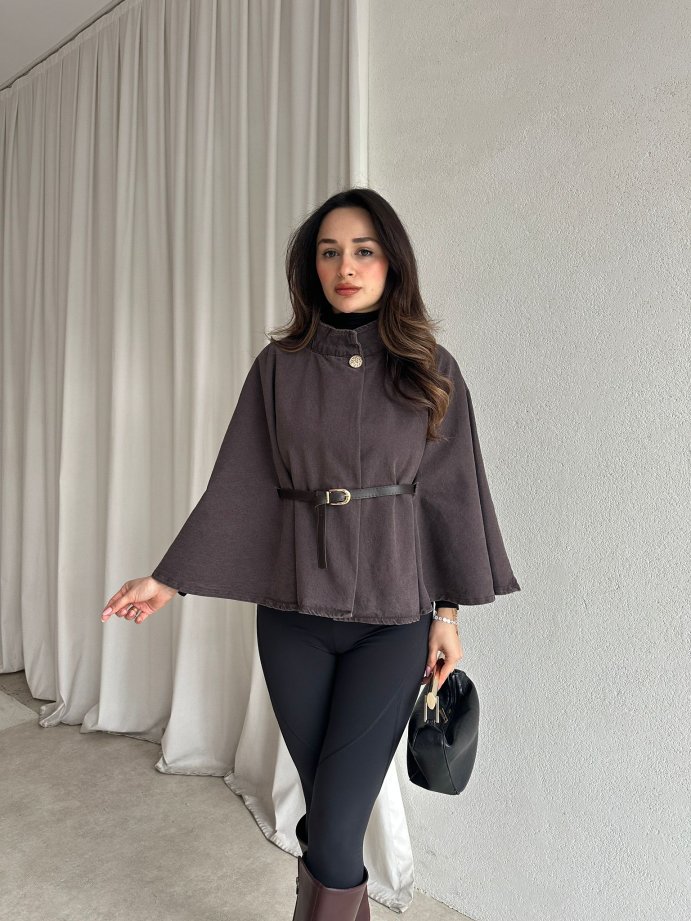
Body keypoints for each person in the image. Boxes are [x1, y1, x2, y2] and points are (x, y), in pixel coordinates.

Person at [101, 187, 520, 921]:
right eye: (329, 252)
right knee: (329, 814)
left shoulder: (431, 368)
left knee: (331, 823)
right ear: (310, 266)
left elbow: (451, 496)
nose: (345, 267)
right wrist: (168, 579)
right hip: (292, 619)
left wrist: (447, 614)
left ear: (392, 263)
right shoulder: (278, 367)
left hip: (392, 624)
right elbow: (238, 482)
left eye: (363, 251)